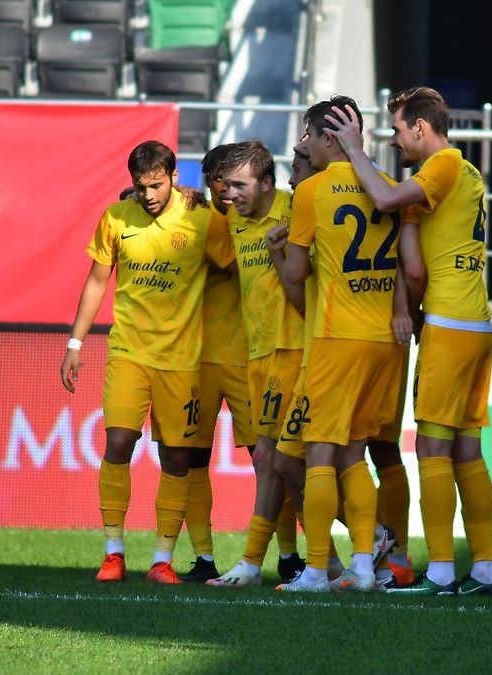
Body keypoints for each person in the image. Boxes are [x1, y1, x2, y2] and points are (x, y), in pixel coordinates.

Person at [322, 86, 492, 596]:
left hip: (448, 324)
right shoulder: (462, 174)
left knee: (431, 447)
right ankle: (485, 569)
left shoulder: (442, 166)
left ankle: (441, 570)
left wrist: (355, 149)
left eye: (398, 130)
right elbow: (416, 256)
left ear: (421, 126)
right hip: (476, 323)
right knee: (467, 449)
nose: (395, 141)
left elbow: (385, 205)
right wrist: (409, 302)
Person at [60, 140, 229, 585]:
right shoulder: (116, 218)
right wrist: (75, 344)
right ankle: (113, 552)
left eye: (156, 185)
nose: (149, 195)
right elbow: (97, 281)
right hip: (128, 352)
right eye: (140, 187)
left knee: (175, 456)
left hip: (183, 360)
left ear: (175, 177)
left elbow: (235, 264)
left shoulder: (201, 218)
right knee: (118, 442)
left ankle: (162, 559)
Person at [276, 95, 407, 593]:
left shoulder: (312, 191)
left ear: (328, 137)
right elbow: (405, 265)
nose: (304, 145)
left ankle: (314, 571)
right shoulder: (392, 188)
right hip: (384, 341)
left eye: (309, 136)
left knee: (319, 456)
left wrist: (281, 250)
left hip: (335, 336)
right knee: (354, 454)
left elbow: (294, 274)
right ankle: (365, 566)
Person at [204, 140, 308, 588]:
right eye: (226, 187)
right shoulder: (234, 220)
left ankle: (365, 546)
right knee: (272, 462)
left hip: (297, 352)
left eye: (240, 186)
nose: (231, 195)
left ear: (267, 183)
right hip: (259, 356)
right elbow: (204, 203)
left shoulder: (295, 209)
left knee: (294, 462)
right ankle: (261, 564)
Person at [176, 145, 256, 583]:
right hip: (197, 362)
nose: (224, 188)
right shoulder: (194, 219)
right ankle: (203, 557)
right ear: (208, 180)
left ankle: (284, 556)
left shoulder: (259, 219)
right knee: (192, 460)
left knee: (271, 462)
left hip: (248, 359)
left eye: (231, 179)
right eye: (216, 179)